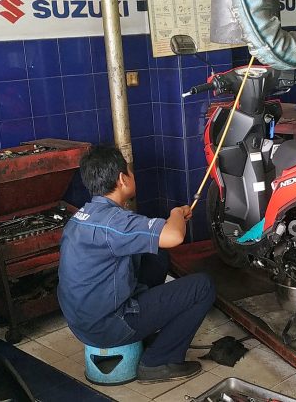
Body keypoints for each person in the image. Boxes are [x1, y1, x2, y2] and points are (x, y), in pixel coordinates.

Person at [57, 145, 216, 383]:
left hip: (81, 321)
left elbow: (152, 237)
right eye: (130, 172)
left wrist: (171, 221)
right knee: (203, 286)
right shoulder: (114, 221)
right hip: (107, 326)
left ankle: (147, 328)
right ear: (122, 179)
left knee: (157, 255)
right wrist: (175, 214)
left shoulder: (84, 215)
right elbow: (174, 236)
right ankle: (159, 362)